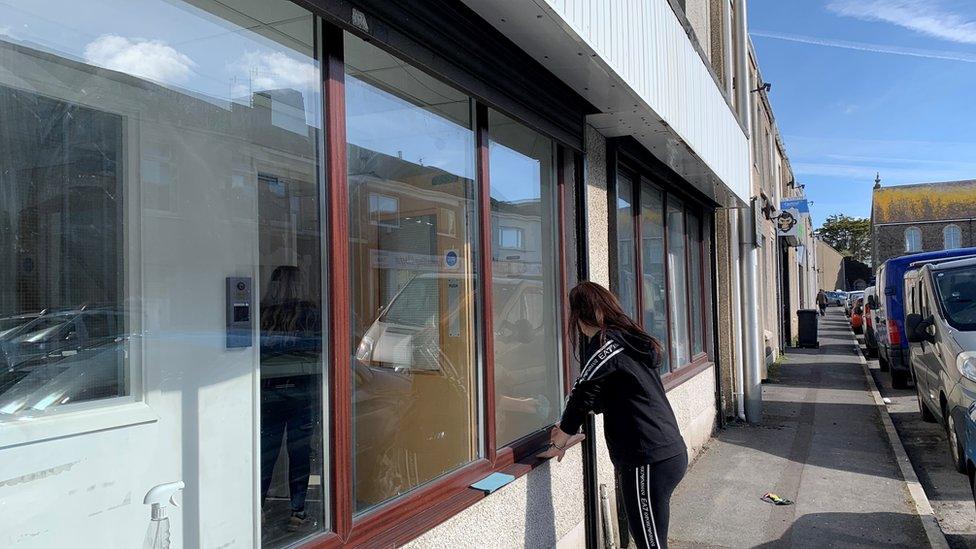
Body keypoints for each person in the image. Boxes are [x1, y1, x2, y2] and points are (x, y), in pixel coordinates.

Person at [539, 282, 687, 549]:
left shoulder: (605, 346)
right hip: (668, 451)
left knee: (649, 543)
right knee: (653, 539)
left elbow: (582, 393)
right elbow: (606, 394)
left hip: (647, 459)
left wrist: (560, 438)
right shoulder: (626, 339)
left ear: (582, 314)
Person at [260, 265, 321, 532]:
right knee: (299, 454)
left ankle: (258, 508)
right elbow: (318, 350)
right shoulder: (309, 312)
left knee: (266, 454)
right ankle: (298, 512)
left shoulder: (263, 312)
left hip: (268, 393)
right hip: (301, 392)